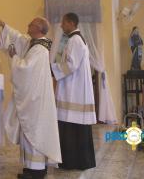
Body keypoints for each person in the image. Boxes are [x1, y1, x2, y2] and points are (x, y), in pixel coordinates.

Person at [0, 17, 61, 179]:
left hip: (35, 99)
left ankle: (36, 171)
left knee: (33, 131)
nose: (27, 26)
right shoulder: (34, 42)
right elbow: (18, 37)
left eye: (31, 24)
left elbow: (25, 69)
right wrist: (3, 25)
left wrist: (15, 57)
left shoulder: (40, 49)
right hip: (34, 97)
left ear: (38, 28)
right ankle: (31, 168)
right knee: (30, 131)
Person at [50, 12, 96, 170]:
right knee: (74, 127)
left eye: (63, 23)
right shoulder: (74, 39)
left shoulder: (75, 40)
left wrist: (52, 69)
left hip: (73, 91)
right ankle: (76, 161)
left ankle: (74, 161)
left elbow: (71, 65)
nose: (61, 26)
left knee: (71, 127)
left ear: (70, 23)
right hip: (74, 88)